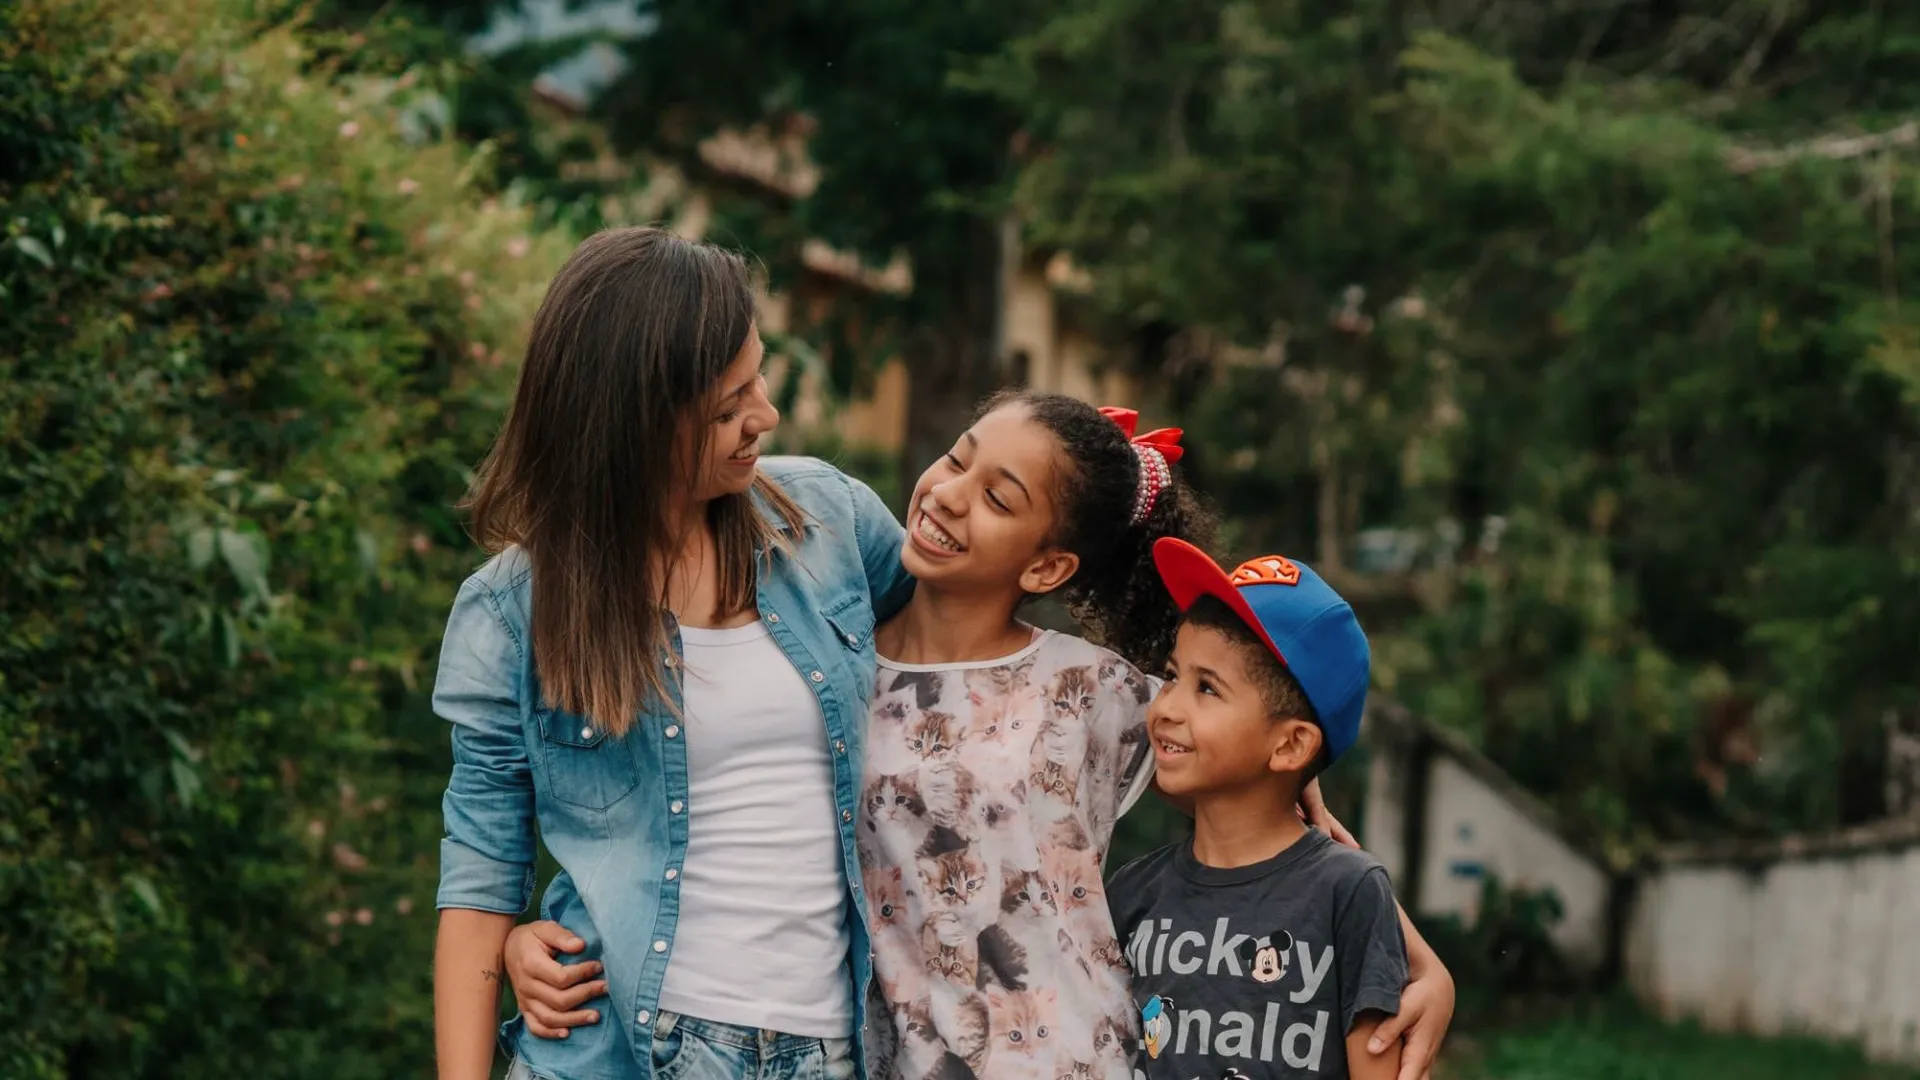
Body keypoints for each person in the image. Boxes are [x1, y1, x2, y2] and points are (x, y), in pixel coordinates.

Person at [503, 394, 1458, 1079]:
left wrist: (1421, 963)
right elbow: (702, 813)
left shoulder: (1092, 690)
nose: (951, 493)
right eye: (959, 458)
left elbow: (1265, 770)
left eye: (1000, 498)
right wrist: (538, 934)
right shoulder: (828, 673)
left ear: (1047, 562)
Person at [430, 226, 913, 1080]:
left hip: (832, 1051)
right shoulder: (512, 613)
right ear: (634, 425)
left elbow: (969, 664)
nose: (763, 414)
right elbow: (477, 886)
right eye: (727, 408)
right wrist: (508, 945)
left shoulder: (833, 523)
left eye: (757, 376)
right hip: (615, 1050)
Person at [1108, 538, 1405, 1080]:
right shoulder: (1131, 893)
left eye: (1208, 689)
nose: (1167, 705)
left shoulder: (1349, 891)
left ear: (1290, 745)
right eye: (1173, 675)